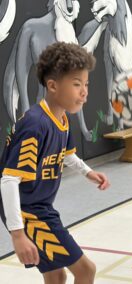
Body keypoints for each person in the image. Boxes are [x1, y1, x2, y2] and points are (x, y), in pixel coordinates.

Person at [0, 42, 110, 284]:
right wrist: (17, 234)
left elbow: (67, 154)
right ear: (52, 86)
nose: (85, 92)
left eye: (86, 84)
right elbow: (8, 179)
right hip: (28, 213)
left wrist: (88, 172)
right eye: (76, 84)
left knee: (56, 275)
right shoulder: (35, 125)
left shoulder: (62, 119)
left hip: (40, 208)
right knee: (85, 271)